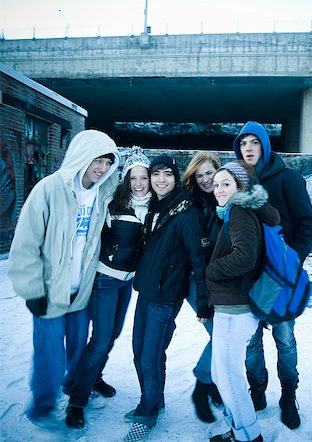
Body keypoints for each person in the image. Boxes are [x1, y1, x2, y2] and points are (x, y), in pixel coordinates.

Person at [7, 129, 119, 427]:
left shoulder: (102, 194)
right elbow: (26, 242)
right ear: (82, 156)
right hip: (48, 291)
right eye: (98, 161)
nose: (103, 169)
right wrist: (32, 290)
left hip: (80, 293)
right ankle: (43, 409)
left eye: (108, 163)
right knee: (50, 355)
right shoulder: (49, 189)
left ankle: (72, 392)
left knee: (78, 350)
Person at [233, 121, 312, 430]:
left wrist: (289, 264)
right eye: (243, 143)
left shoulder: (288, 179)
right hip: (245, 279)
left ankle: (288, 395)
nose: (248, 148)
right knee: (251, 343)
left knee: (285, 340)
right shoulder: (237, 181)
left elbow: (308, 227)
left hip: (280, 280)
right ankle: (257, 391)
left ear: (265, 146)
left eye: (254, 142)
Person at [123, 155, 212, 442]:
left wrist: (205, 301)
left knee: (151, 355)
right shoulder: (155, 207)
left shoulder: (186, 212)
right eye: (156, 174)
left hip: (166, 295)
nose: (161, 180)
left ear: (175, 178)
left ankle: (147, 411)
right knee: (140, 352)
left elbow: (200, 258)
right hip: (147, 291)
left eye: (167, 175)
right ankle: (154, 400)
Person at [65, 146, 151, 429]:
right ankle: (77, 399)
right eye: (133, 178)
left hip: (127, 283)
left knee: (112, 335)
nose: (139, 184)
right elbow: (88, 238)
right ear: (126, 179)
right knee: (100, 339)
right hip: (105, 279)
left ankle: (94, 377)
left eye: (143, 177)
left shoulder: (153, 207)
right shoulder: (113, 203)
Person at [206, 161, 280, 442]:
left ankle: (248, 436)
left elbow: (244, 258)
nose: (219, 189)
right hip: (234, 304)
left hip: (236, 307)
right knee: (221, 372)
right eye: (216, 184)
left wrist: (211, 270)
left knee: (228, 376)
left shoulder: (240, 212)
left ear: (240, 187)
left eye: (226, 183)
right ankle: (239, 429)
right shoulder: (238, 212)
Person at [181, 151, 223, 423]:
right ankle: (201, 386)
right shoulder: (191, 205)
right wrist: (204, 298)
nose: (206, 179)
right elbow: (196, 253)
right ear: (193, 179)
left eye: (210, 173)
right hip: (195, 279)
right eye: (200, 175)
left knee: (226, 334)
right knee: (220, 335)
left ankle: (213, 385)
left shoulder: (224, 197)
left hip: (219, 279)